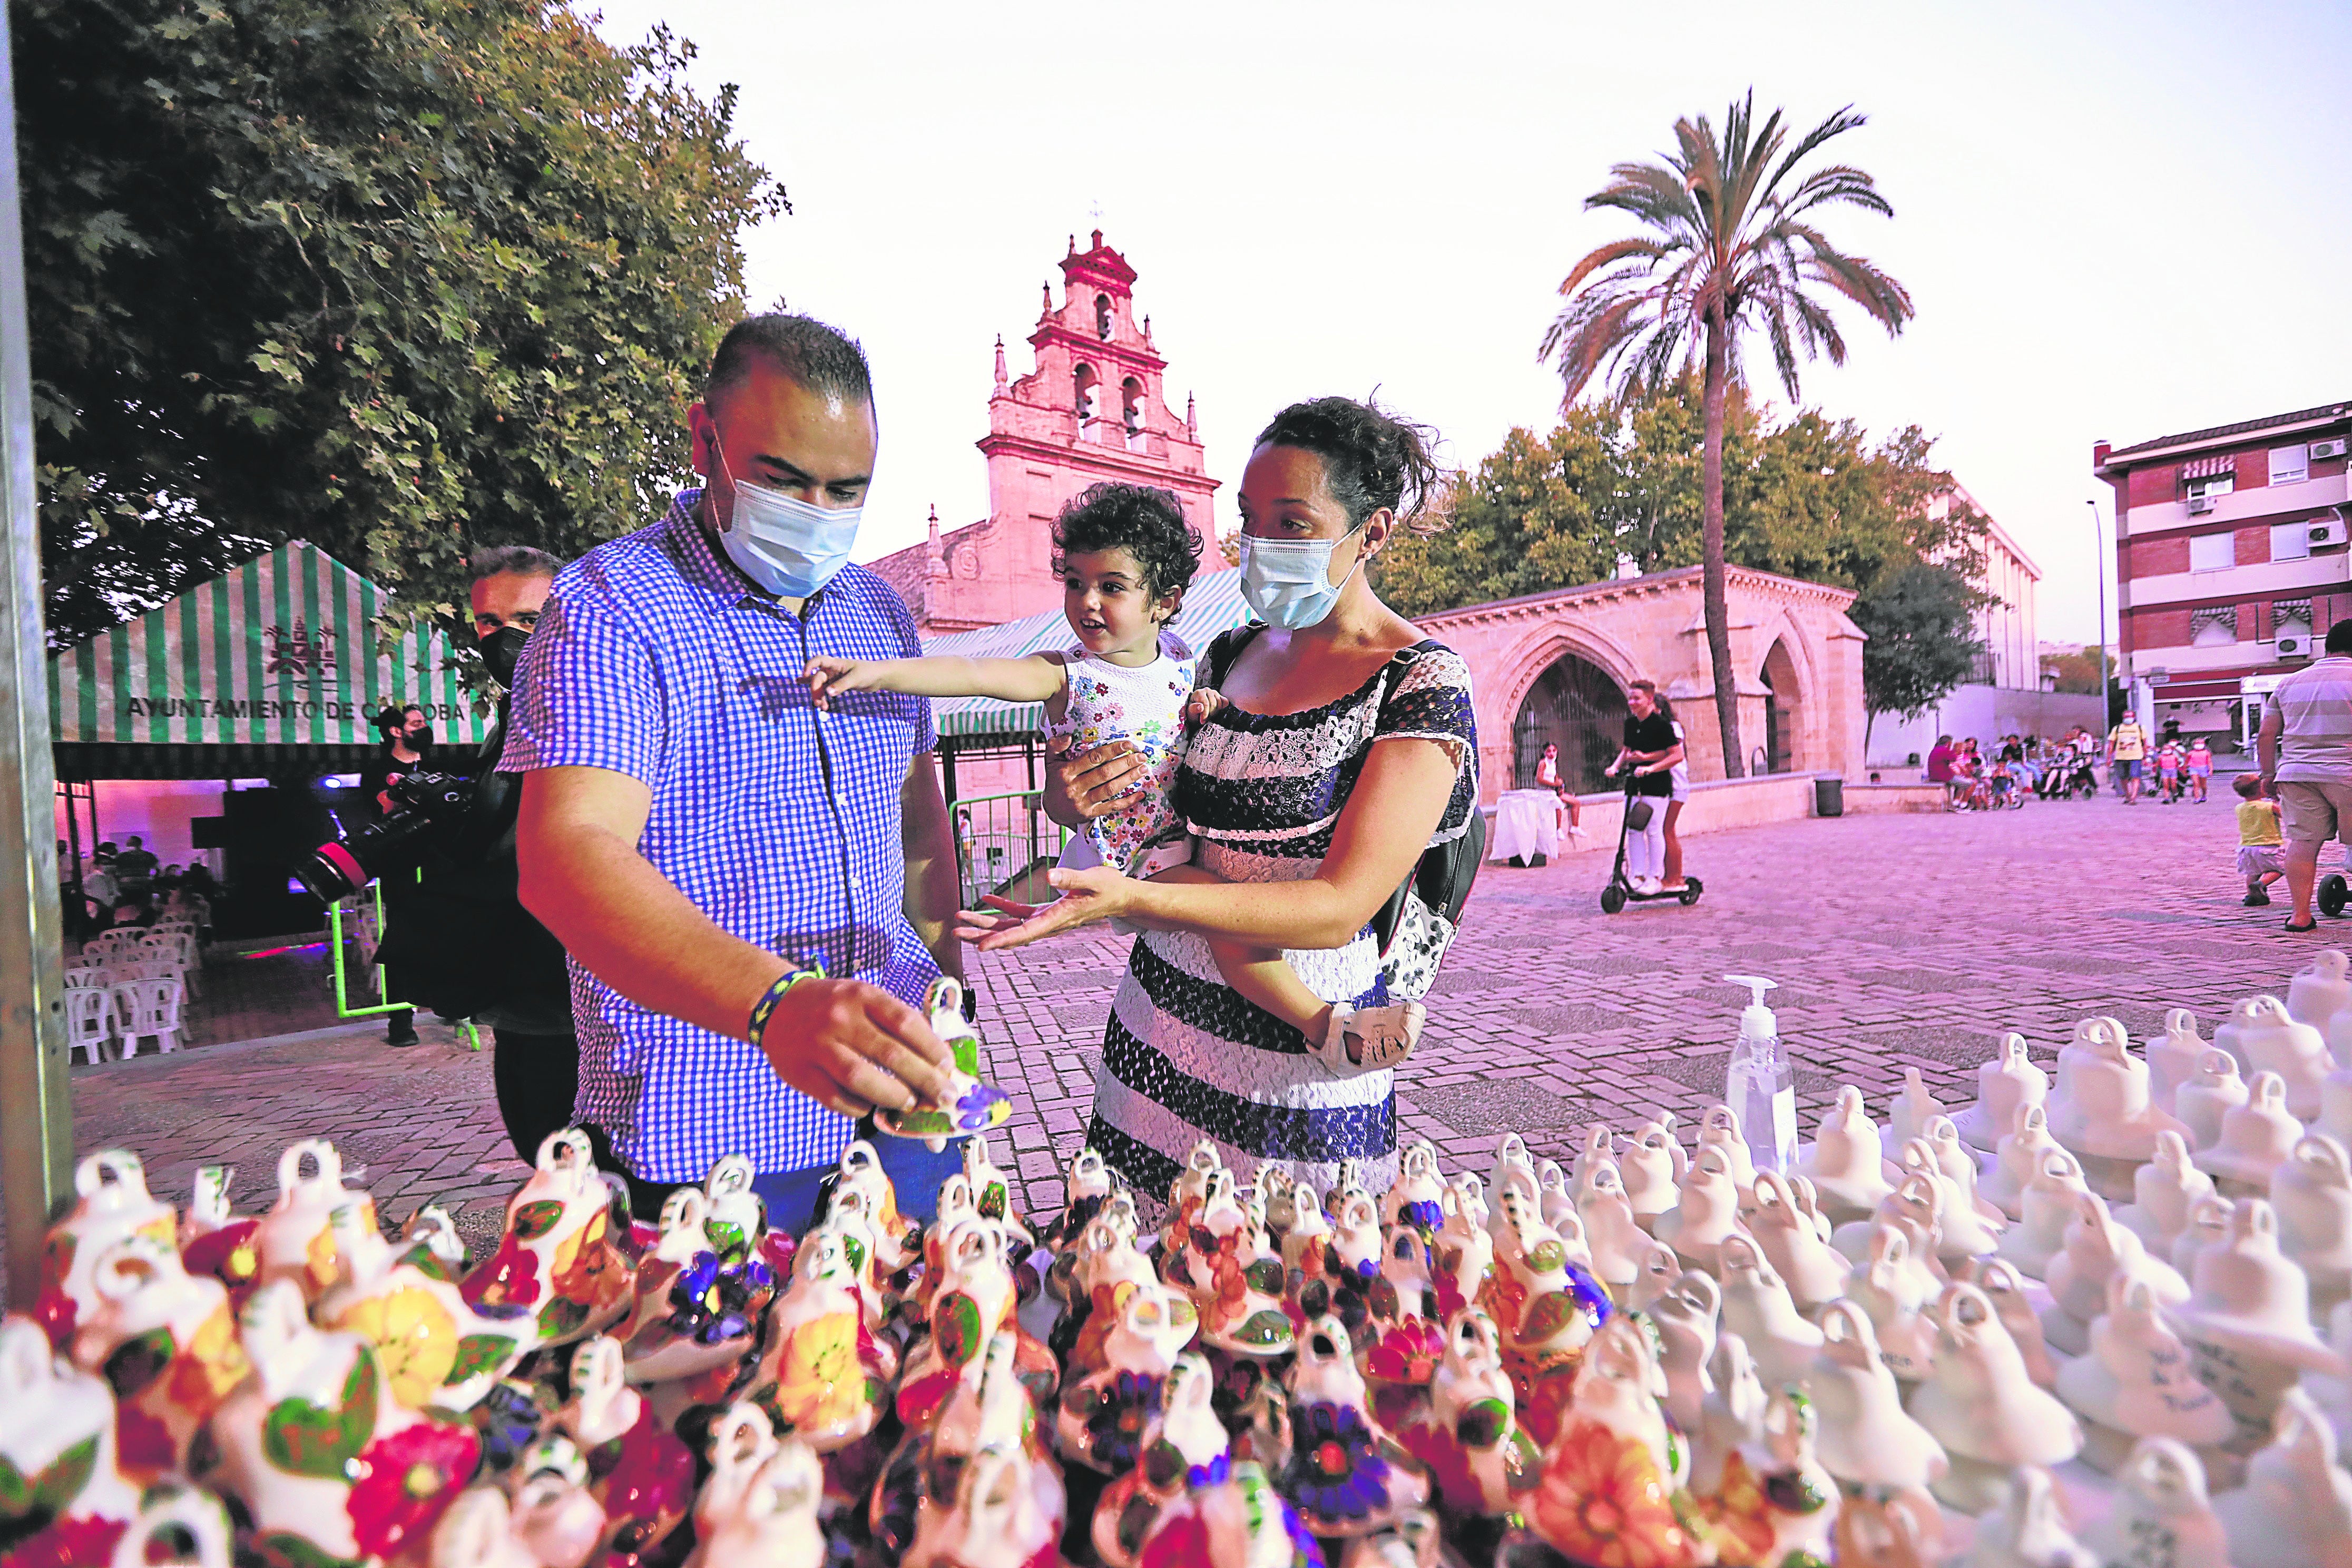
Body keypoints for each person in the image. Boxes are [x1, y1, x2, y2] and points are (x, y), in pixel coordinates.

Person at [505, 313, 961, 1231]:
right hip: (707, 1132)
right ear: (702, 437)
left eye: (846, 491)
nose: (817, 514)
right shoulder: (613, 606)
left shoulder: (879, 613)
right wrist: (775, 1007)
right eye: (784, 481)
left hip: (900, 1104)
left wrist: (952, 994)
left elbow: (916, 824)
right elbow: (568, 853)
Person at [960, 396, 1478, 1194]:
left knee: (1285, 1283)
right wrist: (1074, 802)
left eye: (1293, 523)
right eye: (1249, 518)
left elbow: (1338, 906)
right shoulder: (1225, 655)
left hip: (1301, 1067)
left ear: (1369, 532)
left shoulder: (1419, 683)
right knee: (1130, 1292)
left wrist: (1129, 897)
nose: (1261, 544)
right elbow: (1150, 805)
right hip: (1157, 1033)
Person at [807, 484, 1422, 1067]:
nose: (1087, 602)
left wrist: (1211, 708)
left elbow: (1212, 725)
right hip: (1134, 861)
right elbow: (972, 672)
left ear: (1166, 601)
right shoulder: (1066, 675)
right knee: (1229, 928)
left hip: (1177, 844)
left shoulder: (1188, 662)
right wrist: (876, 672)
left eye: (1112, 586)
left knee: (1214, 915)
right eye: (1074, 583)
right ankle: (1326, 1028)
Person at [371, 545, 580, 1163]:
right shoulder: (513, 716)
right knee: (539, 1154)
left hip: (578, 997)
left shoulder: (599, 706)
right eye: (490, 623)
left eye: (529, 620)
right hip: (519, 995)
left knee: (585, 1183)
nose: (506, 638)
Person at [2257, 618, 2352, 933]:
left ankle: (2300, 916)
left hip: (2297, 773)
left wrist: (2268, 773)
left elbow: (2266, 735)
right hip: (2347, 772)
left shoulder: (2289, 683)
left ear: (2328, 646)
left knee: (2302, 843)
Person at [358, 703, 434, 1047]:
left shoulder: (432, 767)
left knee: (448, 929)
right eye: (416, 723)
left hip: (436, 862)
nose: (424, 727)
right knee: (401, 939)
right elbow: (382, 812)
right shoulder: (378, 771)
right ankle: (401, 1019)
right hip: (399, 864)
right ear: (396, 731)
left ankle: (453, 1003)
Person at [1607, 681, 1680, 891]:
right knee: (1633, 830)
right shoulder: (1630, 724)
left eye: (1637, 698)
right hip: (1634, 783)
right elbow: (1627, 749)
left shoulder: (1661, 725)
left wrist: (1651, 767)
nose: (1632, 702)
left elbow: (1676, 755)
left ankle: (1655, 878)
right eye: (1630, 698)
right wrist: (1615, 766)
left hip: (1656, 785)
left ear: (1649, 700)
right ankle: (1637, 874)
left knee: (1654, 830)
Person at [2235, 773, 2285, 907]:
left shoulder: (2239, 808)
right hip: (2268, 845)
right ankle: (2261, 884)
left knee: (2252, 873)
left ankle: (2251, 896)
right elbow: (2284, 814)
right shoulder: (2269, 806)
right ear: (2260, 789)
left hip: (2246, 848)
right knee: (2280, 869)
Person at [1658, 692, 1692, 893]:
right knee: (1663, 831)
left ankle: (1676, 877)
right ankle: (1668, 876)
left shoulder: (1673, 728)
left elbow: (1673, 752)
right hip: (1666, 787)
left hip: (1676, 786)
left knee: (1667, 830)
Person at [2110, 711, 2148, 804]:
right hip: (2120, 757)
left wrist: (2145, 756)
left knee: (2135, 776)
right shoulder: (2117, 728)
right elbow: (2112, 743)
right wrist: (2109, 757)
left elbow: (2145, 743)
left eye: (2130, 716)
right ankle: (2127, 795)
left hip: (2136, 756)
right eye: (2126, 717)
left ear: (2134, 717)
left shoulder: (2140, 728)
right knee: (2123, 778)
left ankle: (2133, 797)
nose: (2128, 718)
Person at [1926, 734, 1955, 800]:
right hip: (1944, 777)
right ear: (1949, 743)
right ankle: (1961, 804)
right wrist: (1956, 750)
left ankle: (1954, 802)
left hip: (1934, 776)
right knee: (1967, 783)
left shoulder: (1935, 750)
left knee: (1958, 783)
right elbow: (1954, 758)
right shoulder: (1945, 750)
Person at [2187, 737, 2214, 803]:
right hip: (2193, 769)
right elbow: (2187, 762)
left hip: (2203, 769)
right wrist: (2185, 769)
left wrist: (2211, 770)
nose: (2199, 745)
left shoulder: (2207, 753)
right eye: (2197, 743)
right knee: (2196, 783)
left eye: (2201, 743)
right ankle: (2197, 798)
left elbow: (2209, 762)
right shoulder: (2191, 753)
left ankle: (2204, 795)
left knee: (2203, 785)